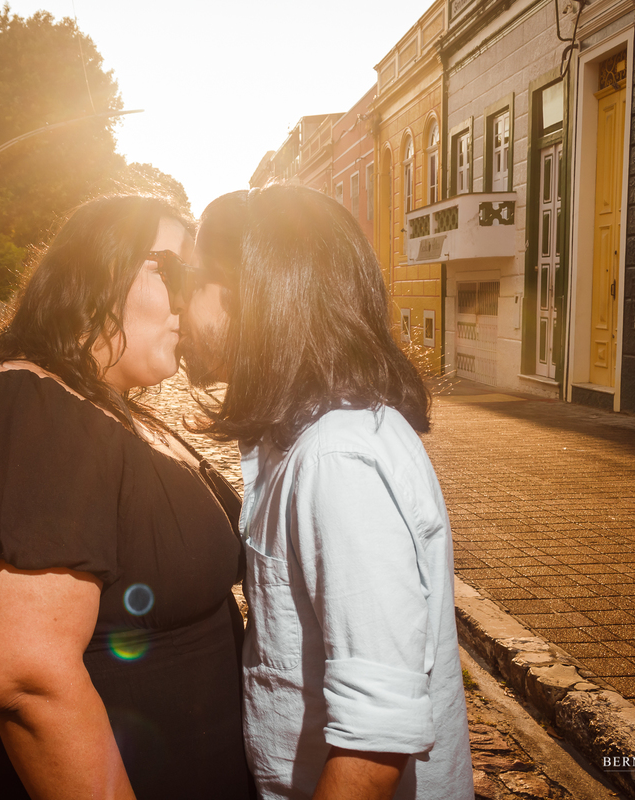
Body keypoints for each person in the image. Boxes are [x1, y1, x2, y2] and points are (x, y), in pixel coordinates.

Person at [0, 194, 256, 800]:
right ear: (97, 271)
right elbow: (23, 680)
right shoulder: (17, 411)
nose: (189, 298)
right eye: (172, 270)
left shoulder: (99, 406)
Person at [179, 185, 474, 800]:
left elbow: (376, 736)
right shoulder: (305, 440)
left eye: (196, 280)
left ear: (254, 294)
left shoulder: (336, 459)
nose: (182, 306)